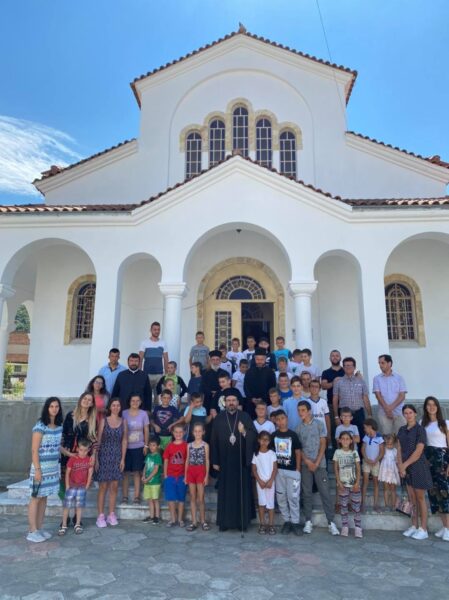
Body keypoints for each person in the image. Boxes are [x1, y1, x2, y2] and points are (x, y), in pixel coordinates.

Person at [211, 389, 257, 531]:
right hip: (224, 461)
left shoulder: (245, 416)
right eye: (229, 400)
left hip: (240, 462)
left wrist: (244, 432)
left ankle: (242, 523)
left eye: (233, 400)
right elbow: (213, 440)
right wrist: (215, 461)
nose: (231, 403)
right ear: (225, 403)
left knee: (241, 493)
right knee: (225, 493)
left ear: (237, 402)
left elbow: (254, 436)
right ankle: (224, 523)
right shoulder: (219, 418)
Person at [296, 401, 339, 536]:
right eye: (299, 410)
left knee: (325, 493)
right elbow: (299, 448)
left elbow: (323, 443)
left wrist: (317, 462)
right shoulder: (298, 428)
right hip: (305, 465)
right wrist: (308, 462)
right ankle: (308, 521)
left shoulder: (319, 424)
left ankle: (331, 522)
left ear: (309, 411)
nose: (301, 413)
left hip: (320, 465)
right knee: (307, 493)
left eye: (303, 410)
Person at [27, 397, 63, 543]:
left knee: (44, 498)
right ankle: (32, 531)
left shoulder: (59, 426)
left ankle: (39, 528)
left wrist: (71, 454)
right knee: (36, 498)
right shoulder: (40, 425)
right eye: (51, 406)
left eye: (56, 406)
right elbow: (34, 450)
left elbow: (57, 447)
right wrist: (37, 470)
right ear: (47, 408)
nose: (54, 409)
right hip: (40, 469)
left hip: (52, 470)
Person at [60, 392, 97, 528]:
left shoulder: (92, 419)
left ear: (92, 404)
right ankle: (65, 518)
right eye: (85, 398)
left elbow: (94, 439)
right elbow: (63, 435)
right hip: (69, 455)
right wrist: (66, 453)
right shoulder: (70, 416)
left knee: (80, 486)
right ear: (81, 400)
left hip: (83, 457)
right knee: (66, 487)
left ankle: (77, 517)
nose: (87, 401)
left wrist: (93, 455)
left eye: (89, 400)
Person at [398, 404, 433, 540]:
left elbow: (418, 451)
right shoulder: (401, 429)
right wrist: (400, 466)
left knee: (420, 498)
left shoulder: (420, 429)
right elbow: (399, 449)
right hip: (406, 468)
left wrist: (404, 465)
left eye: (410, 412)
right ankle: (414, 525)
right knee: (411, 498)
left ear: (415, 414)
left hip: (418, 466)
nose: (408, 415)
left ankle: (423, 529)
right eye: (406, 413)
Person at [95, 397, 127, 528]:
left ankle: (111, 514)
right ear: (110, 407)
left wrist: (123, 459)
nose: (116, 407)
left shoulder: (124, 421)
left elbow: (124, 441)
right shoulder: (104, 420)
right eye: (113, 405)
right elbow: (98, 440)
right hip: (104, 456)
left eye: (118, 405)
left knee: (114, 486)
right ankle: (100, 515)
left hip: (117, 456)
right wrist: (96, 458)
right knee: (103, 487)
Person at [421, 396, 449, 540]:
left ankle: (448, 528)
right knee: (434, 494)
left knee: (445, 493)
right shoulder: (422, 424)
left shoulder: (445, 423)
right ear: (425, 407)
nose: (431, 407)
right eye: (428, 405)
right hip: (429, 460)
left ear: (438, 407)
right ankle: (444, 527)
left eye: (434, 405)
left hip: (442, 459)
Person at [271, 409, 302, 535]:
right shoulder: (273, 435)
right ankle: (287, 521)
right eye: (278, 419)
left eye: (282, 418)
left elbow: (298, 452)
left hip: (292, 471)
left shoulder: (293, 435)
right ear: (275, 421)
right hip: (279, 471)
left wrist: (298, 469)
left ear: (287, 419)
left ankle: (295, 522)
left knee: (293, 497)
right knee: (281, 497)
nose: (281, 421)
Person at [333, 357, 372, 448]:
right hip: (344, 415)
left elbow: (365, 398)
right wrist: (336, 416)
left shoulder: (361, 381)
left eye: (350, 365)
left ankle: (360, 457)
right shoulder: (338, 382)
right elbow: (335, 399)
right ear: (343, 367)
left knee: (361, 437)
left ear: (354, 367)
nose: (348, 367)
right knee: (343, 439)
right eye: (346, 365)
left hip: (359, 414)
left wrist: (370, 415)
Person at [59, 439, 93, 535]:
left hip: (81, 487)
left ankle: (77, 524)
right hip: (71, 486)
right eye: (81, 450)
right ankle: (64, 525)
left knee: (79, 506)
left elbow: (90, 473)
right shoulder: (73, 459)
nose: (83, 452)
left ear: (88, 450)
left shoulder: (89, 460)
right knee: (67, 506)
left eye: (85, 450)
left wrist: (87, 486)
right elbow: (68, 472)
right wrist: (67, 485)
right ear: (77, 449)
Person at [333, 431, 362, 537]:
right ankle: (345, 526)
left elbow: (358, 469)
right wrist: (338, 482)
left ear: (351, 441)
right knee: (343, 506)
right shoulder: (337, 452)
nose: (345, 441)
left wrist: (357, 482)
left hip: (354, 484)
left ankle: (358, 528)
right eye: (343, 439)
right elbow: (336, 468)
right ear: (340, 440)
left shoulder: (354, 453)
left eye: (347, 439)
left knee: (356, 507)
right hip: (342, 484)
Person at [122, 394, 150, 504]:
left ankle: (137, 497)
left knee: (137, 472)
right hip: (126, 448)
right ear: (129, 402)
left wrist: (146, 445)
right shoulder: (124, 413)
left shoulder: (143, 414)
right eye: (133, 400)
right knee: (125, 473)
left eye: (137, 400)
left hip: (139, 447)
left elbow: (146, 430)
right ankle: (125, 497)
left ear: (140, 402)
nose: (135, 402)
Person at [373, 354, 407, 435]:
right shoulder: (377, 379)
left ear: (389, 363)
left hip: (399, 412)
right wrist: (387, 410)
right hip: (383, 414)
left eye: (382, 363)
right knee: (387, 437)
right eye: (379, 363)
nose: (380, 365)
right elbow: (378, 396)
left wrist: (389, 409)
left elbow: (402, 396)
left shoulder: (399, 378)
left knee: (401, 437)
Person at [185, 423, 210, 531]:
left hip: (201, 471)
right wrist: (185, 475)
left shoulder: (205, 445)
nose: (198, 433)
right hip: (191, 471)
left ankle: (203, 521)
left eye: (200, 431)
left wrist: (206, 475)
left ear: (203, 432)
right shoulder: (189, 445)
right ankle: (194, 521)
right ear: (192, 432)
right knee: (192, 497)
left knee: (201, 497)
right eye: (195, 431)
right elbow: (187, 460)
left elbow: (207, 460)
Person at [251, 431, 277, 535]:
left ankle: (271, 525)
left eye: (266, 440)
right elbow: (254, 469)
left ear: (269, 441)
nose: (264, 442)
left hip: (270, 483)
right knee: (261, 504)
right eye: (262, 439)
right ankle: (262, 524)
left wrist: (271, 480)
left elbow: (275, 469)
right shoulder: (256, 454)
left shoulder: (272, 454)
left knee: (270, 504)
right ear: (259, 440)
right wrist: (259, 481)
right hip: (260, 483)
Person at [163, 424, 188, 528]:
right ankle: (173, 519)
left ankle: (180, 519)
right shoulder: (169, 446)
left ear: (184, 433)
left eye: (180, 432)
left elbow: (187, 461)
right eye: (176, 432)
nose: (178, 434)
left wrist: (186, 476)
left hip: (182, 476)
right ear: (173, 433)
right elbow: (166, 460)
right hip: (170, 476)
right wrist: (165, 474)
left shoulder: (186, 445)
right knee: (171, 498)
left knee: (181, 499)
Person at [321, 350, 345, 448]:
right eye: (333, 356)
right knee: (334, 430)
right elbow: (323, 386)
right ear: (330, 358)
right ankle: (336, 452)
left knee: (346, 429)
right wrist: (334, 382)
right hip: (331, 405)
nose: (335, 357)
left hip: (345, 405)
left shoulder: (345, 370)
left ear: (340, 358)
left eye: (337, 355)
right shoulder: (326, 372)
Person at [244, 348, 277, 419]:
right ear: (254, 359)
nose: (259, 361)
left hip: (266, 403)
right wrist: (251, 398)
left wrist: (262, 399)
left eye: (261, 359)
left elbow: (272, 388)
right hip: (251, 404)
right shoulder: (249, 372)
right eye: (257, 359)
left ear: (265, 359)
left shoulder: (270, 372)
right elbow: (246, 387)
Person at [361, 418, 384, 512]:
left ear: (370, 427)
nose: (364, 429)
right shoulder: (366, 437)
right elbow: (363, 449)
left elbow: (382, 451)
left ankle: (376, 504)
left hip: (375, 462)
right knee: (365, 482)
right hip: (366, 462)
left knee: (376, 483)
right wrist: (366, 459)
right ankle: (362, 503)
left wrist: (376, 460)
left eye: (365, 427)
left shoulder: (379, 437)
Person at [139, 321, 169, 392]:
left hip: (159, 374)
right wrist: (139, 372)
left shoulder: (163, 343)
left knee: (159, 396)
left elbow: (166, 359)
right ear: (150, 330)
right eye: (155, 329)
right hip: (147, 373)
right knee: (146, 395)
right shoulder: (144, 343)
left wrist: (166, 373)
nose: (157, 331)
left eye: (158, 329)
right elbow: (140, 358)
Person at [142, 437, 163, 525]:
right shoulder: (148, 456)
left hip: (155, 482)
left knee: (155, 500)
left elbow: (155, 470)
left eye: (154, 445)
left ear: (158, 446)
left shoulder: (157, 456)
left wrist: (148, 479)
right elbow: (145, 467)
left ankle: (157, 517)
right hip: (147, 482)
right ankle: (151, 516)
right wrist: (143, 476)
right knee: (150, 500)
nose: (151, 447)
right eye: (150, 445)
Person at [202, 350, 228, 415]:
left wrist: (217, 393)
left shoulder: (225, 373)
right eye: (213, 360)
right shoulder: (204, 373)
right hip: (208, 399)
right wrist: (211, 392)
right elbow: (202, 386)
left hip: (221, 398)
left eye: (217, 359)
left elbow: (227, 386)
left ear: (220, 361)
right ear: (210, 361)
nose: (215, 362)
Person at [378, 433, 400, 511]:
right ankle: (386, 505)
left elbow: (397, 461)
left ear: (394, 443)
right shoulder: (383, 450)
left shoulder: (395, 451)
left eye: (391, 444)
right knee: (386, 488)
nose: (389, 446)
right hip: (385, 470)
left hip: (392, 471)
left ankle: (393, 505)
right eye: (387, 444)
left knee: (393, 489)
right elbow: (381, 458)